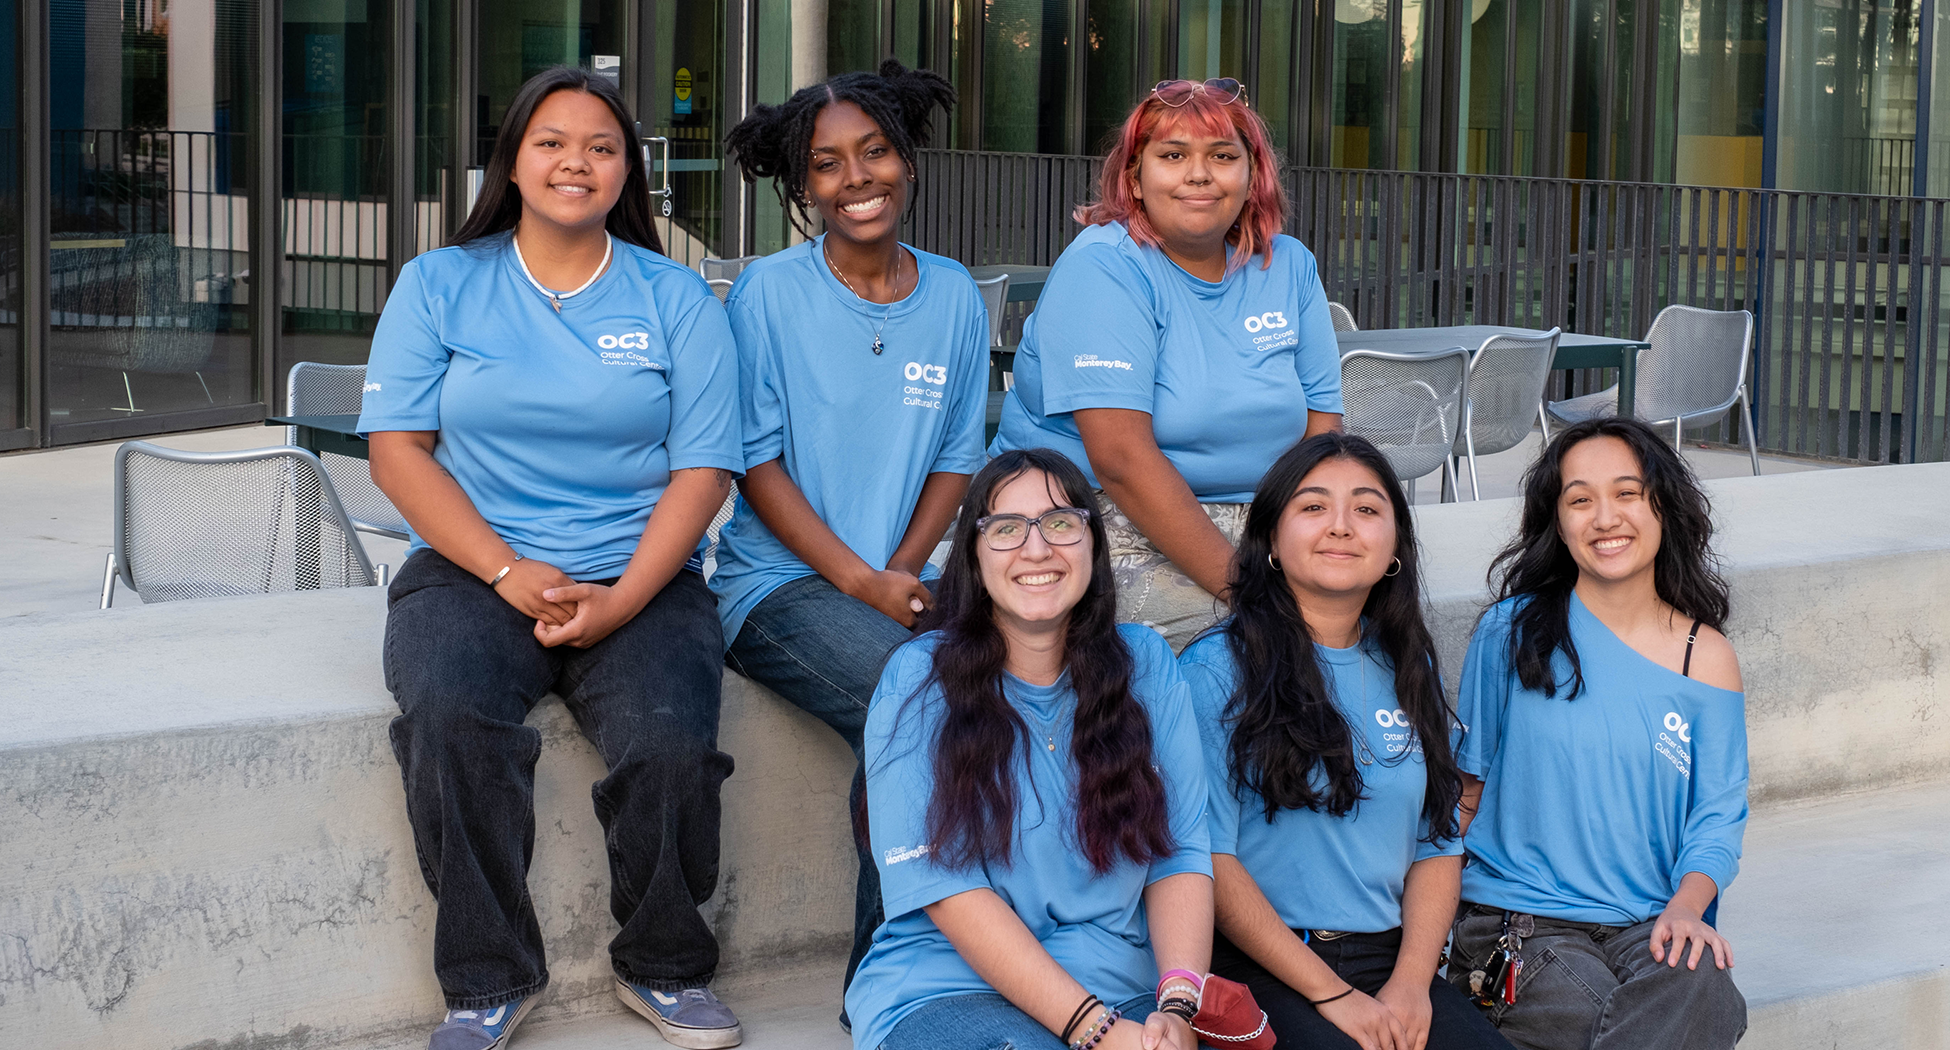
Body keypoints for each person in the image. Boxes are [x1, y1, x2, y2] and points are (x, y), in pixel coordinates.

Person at [360, 67, 746, 1050]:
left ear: (627, 172)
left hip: (638, 575)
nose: (577, 162)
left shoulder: (675, 298)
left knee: (670, 742)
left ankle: (665, 965)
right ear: (514, 161)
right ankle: (487, 979)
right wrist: (504, 571)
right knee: (450, 720)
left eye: (602, 147)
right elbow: (398, 452)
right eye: (552, 142)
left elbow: (703, 472)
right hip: (471, 574)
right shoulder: (439, 283)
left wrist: (622, 601)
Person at [716, 59, 986, 1009]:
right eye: (828, 164)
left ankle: (999, 938)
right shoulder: (767, 294)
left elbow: (957, 456)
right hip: (774, 589)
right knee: (915, 698)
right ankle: (888, 977)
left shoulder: (953, 295)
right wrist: (864, 584)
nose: (857, 178)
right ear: (802, 186)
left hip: (899, 580)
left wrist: (898, 571)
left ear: (906, 158)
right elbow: (755, 464)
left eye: (874, 152)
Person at [844, 448, 1214, 1050]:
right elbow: (949, 893)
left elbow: (1181, 851)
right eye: (1006, 528)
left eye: (1061, 523)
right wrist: (1097, 1032)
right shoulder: (919, 679)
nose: (1037, 549)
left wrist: (1179, 1004)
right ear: (974, 556)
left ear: (1093, 544)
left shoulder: (1145, 665)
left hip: (1124, 988)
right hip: (949, 987)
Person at [1181, 433, 1511, 1050]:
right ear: (1271, 540)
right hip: (1263, 964)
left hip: (1387, 961)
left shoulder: (1407, 663)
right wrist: (1331, 994)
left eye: (1365, 508)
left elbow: (1437, 843)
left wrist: (1412, 983)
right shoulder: (1215, 670)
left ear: (1394, 548)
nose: (1341, 526)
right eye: (1313, 507)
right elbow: (1207, 861)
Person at [990, 77, 1343, 650]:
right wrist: (1251, 591)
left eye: (1222, 156)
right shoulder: (1105, 267)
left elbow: (1322, 431)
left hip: (1261, 517)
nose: (1199, 174)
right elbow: (1121, 461)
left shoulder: (1289, 265)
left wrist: (1306, 540)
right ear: (1134, 176)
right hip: (1092, 519)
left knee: (1367, 612)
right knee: (1249, 643)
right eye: (1173, 155)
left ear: (1252, 174)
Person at [1449, 417, 1749, 1050]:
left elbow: (1717, 818)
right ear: (1558, 523)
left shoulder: (1706, 658)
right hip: (1521, 923)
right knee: (1612, 1021)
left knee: (1707, 989)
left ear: (1663, 505)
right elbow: (1464, 793)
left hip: (1650, 923)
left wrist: (1686, 908)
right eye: (1581, 500)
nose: (1605, 517)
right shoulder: (1510, 633)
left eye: (1627, 493)